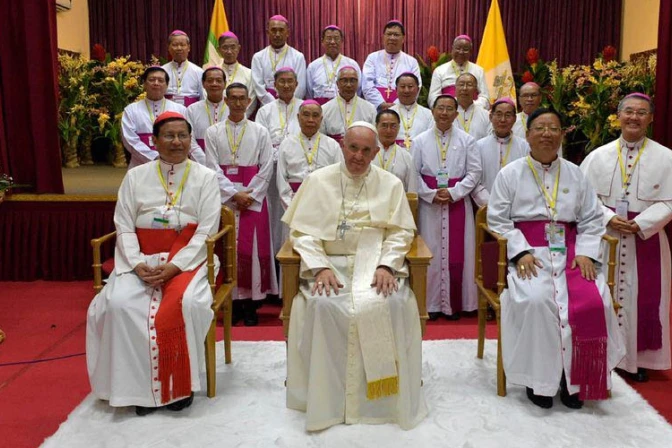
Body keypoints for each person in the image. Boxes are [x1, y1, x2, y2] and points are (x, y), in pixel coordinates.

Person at [283, 121, 427, 431]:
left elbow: (401, 233)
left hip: (375, 265)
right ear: (342, 146)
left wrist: (387, 265)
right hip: (330, 265)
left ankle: (381, 404)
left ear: (376, 152)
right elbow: (303, 234)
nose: (358, 157)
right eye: (352, 148)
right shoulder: (317, 181)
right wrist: (319, 266)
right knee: (322, 305)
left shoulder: (391, 184)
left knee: (388, 303)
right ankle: (327, 401)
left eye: (365, 151)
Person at [488, 108, 625, 409]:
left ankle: (575, 379)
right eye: (540, 128)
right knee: (536, 300)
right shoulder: (510, 174)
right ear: (528, 135)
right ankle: (539, 380)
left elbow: (592, 219)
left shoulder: (576, 173)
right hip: (530, 255)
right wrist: (520, 250)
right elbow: (497, 219)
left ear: (562, 134)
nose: (546, 134)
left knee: (595, 302)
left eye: (553, 128)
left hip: (571, 253)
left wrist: (586, 252)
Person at [87, 111, 221, 416]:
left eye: (183, 135)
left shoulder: (206, 177)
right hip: (141, 260)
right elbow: (123, 226)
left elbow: (206, 230)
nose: (177, 142)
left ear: (191, 139)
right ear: (155, 141)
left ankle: (178, 386)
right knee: (119, 304)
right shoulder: (135, 176)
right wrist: (136, 264)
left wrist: (175, 266)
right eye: (169, 136)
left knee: (188, 304)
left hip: (188, 259)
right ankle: (137, 390)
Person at [580, 93, 672, 383]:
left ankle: (637, 359)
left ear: (651, 118)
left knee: (640, 298)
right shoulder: (598, 156)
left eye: (641, 112)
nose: (634, 117)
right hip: (606, 236)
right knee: (602, 294)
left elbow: (669, 202)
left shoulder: (666, 157)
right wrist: (608, 218)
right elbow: (584, 198)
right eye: (629, 111)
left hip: (646, 238)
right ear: (618, 116)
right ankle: (602, 353)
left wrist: (641, 222)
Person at [204, 82, 279, 326]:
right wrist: (233, 194)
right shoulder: (213, 132)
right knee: (227, 248)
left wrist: (250, 195)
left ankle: (251, 305)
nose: (237, 103)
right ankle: (231, 304)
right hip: (226, 199)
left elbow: (266, 167)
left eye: (242, 98)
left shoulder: (260, 131)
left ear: (249, 102)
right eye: (233, 98)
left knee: (253, 250)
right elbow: (211, 167)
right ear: (225, 101)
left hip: (253, 198)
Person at [413, 94, 480, 320]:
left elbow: (474, 172)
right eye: (440, 108)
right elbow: (414, 173)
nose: (444, 112)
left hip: (457, 204)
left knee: (459, 256)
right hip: (430, 206)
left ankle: (455, 305)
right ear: (432, 111)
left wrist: (454, 192)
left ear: (456, 113)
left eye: (449, 108)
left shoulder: (467, 140)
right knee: (430, 252)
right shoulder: (420, 141)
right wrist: (430, 194)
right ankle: (431, 304)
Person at [256, 67, 302, 263]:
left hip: (298, 169)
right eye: (281, 81)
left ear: (296, 84)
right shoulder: (265, 111)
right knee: (275, 212)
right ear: (274, 85)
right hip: (273, 168)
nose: (286, 85)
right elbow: (261, 142)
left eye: (290, 81)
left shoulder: (305, 108)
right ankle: (275, 252)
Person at [121, 66, 205, 169]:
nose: (156, 83)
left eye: (160, 80)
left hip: (175, 163)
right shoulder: (131, 110)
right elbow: (129, 140)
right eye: (152, 80)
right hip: (140, 165)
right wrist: (154, 157)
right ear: (144, 84)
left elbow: (188, 138)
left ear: (166, 85)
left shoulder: (180, 109)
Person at [277, 100, 342, 210]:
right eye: (306, 115)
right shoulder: (286, 144)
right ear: (298, 117)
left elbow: (339, 178)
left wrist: (329, 205)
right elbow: (281, 179)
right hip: (294, 203)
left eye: (315, 115)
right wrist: (292, 208)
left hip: (325, 203)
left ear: (321, 119)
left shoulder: (332, 145)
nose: (310, 120)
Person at [472, 97, 529, 206]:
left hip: (517, 205)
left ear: (514, 119)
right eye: (498, 114)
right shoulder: (479, 146)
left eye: (508, 115)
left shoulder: (525, 147)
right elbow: (475, 179)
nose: (503, 120)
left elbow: (528, 179)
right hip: (486, 206)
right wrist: (489, 203)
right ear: (490, 117)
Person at [362, 20, 421, 111]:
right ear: (383, 37)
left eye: (396, 35)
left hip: (402, 108)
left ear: (403, 38)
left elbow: (416, 86)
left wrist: (396, 105)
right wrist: (380, 103)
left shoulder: (411, 61)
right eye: (389, 34)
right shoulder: (372, 58)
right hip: (375, 108)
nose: (392, 38)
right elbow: (367, 84)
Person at [251, 15, 307, 106]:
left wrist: (289, 103)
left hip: (291, 105)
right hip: (266, 106)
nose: (277, 34)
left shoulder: (298, 57)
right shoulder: (258, 57)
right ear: (268, 32)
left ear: (287, 33)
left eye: (281, 30)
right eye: (273, 30)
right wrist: (273, 104)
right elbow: (257, 85)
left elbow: (300, 86)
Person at [427, 35, 489, 109]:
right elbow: (433, 97)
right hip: (447, 111)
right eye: (458, 48)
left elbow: (485, 96)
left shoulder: (479, 70)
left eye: (465, 49)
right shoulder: (440, 70)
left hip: (473, 111)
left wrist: (472, 106)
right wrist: (448, 106)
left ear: (470, 52)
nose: (461, 52)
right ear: (452, 49)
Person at [306, 25, 362, 104]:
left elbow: (358, 89)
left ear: (342, 41)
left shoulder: (352, 64)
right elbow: (309, 93)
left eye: (336, 38)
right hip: (320, 108)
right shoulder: (313, 66)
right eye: (329, 38)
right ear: (322, 41)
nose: (332, 42)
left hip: (346, 106)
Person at [320, 66, 376, 143]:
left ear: (358, 83)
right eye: (344, 80)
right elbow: (321, 139)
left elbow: (373, 138)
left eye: (352, 81)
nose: (348, 85)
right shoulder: (324, 109)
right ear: (337, 83)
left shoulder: (370, 109)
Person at [208, 31, 256, 117]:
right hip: (215, 118)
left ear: (238, 48)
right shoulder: (212, 73)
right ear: (218, 50)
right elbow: (207, 96)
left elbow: (251, 100)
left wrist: (239, 117)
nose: (229, 51)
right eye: (225, 47)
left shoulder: (249, 74)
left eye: (233, 47)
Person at [373, 109, 417, 192]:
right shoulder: (367, 153)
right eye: (384, 126)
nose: (388, 131)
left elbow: (412, 190)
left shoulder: (406, 157)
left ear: (399, 128)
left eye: (393, 126)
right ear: (376, 126)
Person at [186, 67, 228, 150]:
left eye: (219, 80)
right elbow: (190, 140)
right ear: (203, 84)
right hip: (200, 156)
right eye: (210, 80)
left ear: (225, 84)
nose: (214, 84)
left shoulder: (233, 109)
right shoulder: (192, 109)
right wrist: (203, 158)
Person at [390, 73, 433, 150]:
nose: (406, 90)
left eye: (410, 87)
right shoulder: (389, 113)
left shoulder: (428, 114)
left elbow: (430, 140)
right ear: (396, 90)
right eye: (402, 87)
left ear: (417, 89)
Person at [162, 30, 204, 107]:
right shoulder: (162, 71)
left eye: (182, 45)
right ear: (169, 48)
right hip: (168, 110)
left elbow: (203, 97)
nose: (179, 48)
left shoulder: (198, 71)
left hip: (191, 111)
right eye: (175, 45)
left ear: (189, 48)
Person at [453, 73, 491, 141]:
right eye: (461, 84)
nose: (464, 88)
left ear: (475, 89)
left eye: (469, 85)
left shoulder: (486, 115)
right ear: (455, 88)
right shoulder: (446, 113)